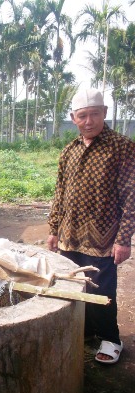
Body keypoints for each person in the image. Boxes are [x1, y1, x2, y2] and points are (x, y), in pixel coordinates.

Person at [47, 88, 135, 364]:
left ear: (104, 114)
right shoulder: (69, 151)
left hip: (103, 238)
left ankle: (111, 339)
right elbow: (59, 193)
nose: (88, 121)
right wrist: (53, 229)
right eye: (82, 116)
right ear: (73, 118)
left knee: (102, 290)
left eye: (94, 114)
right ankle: (84, 332)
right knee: (74, 287)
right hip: (69, 236)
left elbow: (131, 195)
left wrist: (124, 239)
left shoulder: (121, 147)